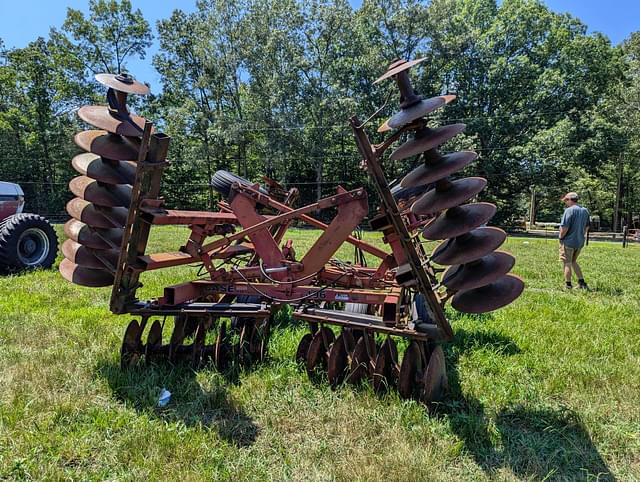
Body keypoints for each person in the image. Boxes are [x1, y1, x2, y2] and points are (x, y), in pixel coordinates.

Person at [558, 192, 590, 289]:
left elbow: (565, 228)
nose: (565, 203)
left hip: (568, 242)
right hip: (579, 242)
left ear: (570, 200)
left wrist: (560, 237)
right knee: (573, 261)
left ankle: (568, 285)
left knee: (567, 262)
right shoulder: (585, 211)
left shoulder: (569, 211)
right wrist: (580, 235)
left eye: (566, 200)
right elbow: (587, 227)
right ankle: (581, 282)